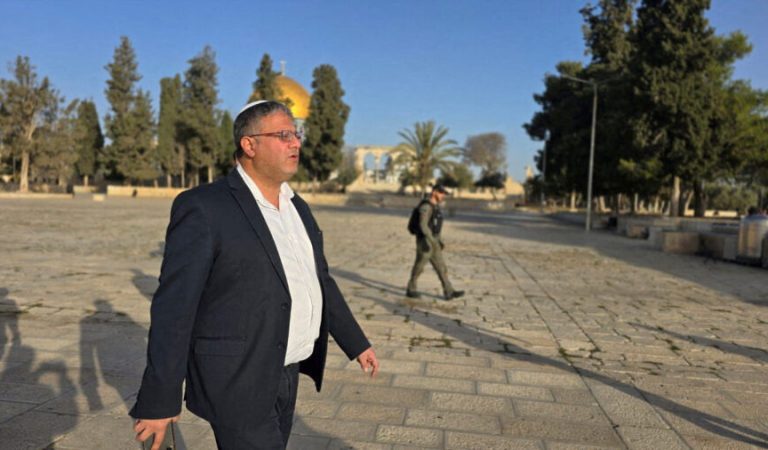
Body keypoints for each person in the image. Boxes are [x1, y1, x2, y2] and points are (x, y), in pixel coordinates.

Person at [130, 100, 379, 450]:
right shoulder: (204, 207)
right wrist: (159, 399)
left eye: (296, 134)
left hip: (287, 372)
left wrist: (356, 342)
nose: (296, 143)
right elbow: (175, 308)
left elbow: (320, 280)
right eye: (283, 135)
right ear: (249, 145)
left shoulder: (298, 209)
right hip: (237, 378)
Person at [406, 184, 465, 300]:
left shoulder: (435, 206)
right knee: (419, 266)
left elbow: (435, 226)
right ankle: (411, 288)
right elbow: (423, 226)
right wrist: (431, 240)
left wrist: (439, 241)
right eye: (441, 193)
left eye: (444, 193)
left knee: (441, 267)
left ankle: (449, 291)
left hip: (434, 241)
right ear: (434, 192)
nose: (443, 195)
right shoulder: (426, 206)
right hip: (425, 242)